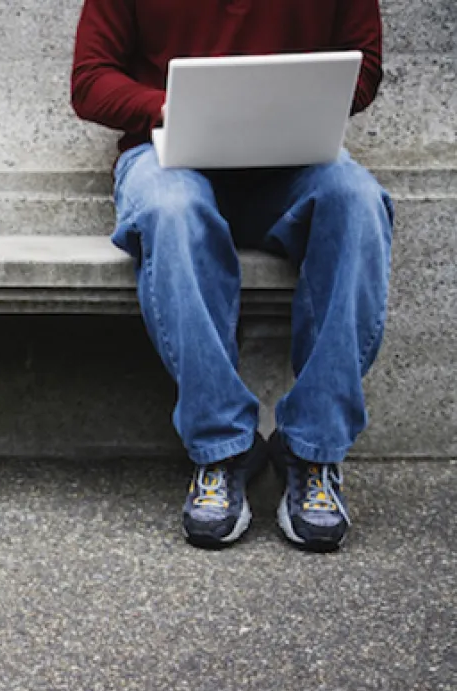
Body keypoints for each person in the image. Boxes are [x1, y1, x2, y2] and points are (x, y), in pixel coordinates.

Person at [71, 0, 393, 551]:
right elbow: (90, 82)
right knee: (172, 212)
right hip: (168, 156)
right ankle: (223, 449)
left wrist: (282, 112)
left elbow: (363, 70)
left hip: (293, 164)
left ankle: (314, 451)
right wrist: (176, 109)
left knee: (358, 200)